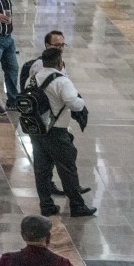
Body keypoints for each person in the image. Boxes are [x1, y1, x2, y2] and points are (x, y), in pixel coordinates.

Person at [28, 49, 97, 217]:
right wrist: (82, 100)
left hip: (37, 131)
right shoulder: (62, 81)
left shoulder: (33, 79)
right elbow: (75, 104)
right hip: (57, 132)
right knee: (67, 169)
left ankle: (46, 205)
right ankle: (77, 205)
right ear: (60, 62)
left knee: (42, 170)